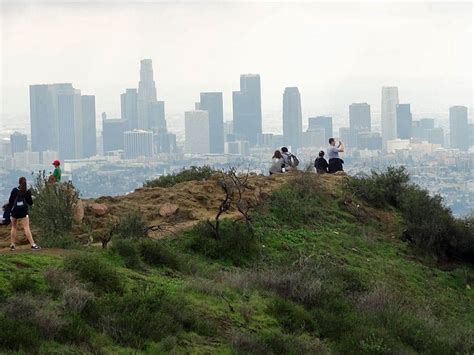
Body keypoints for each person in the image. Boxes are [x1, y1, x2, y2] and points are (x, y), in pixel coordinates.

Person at [9, 177, 40, 250]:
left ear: (19, 182)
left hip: (15, 211)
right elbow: (30, 202)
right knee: (26, 227)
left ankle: (13, 245)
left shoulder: (14, 190)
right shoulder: (27, 191)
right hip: (23, 211)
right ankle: (32, 244)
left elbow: (11, 200)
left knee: (14, 227)